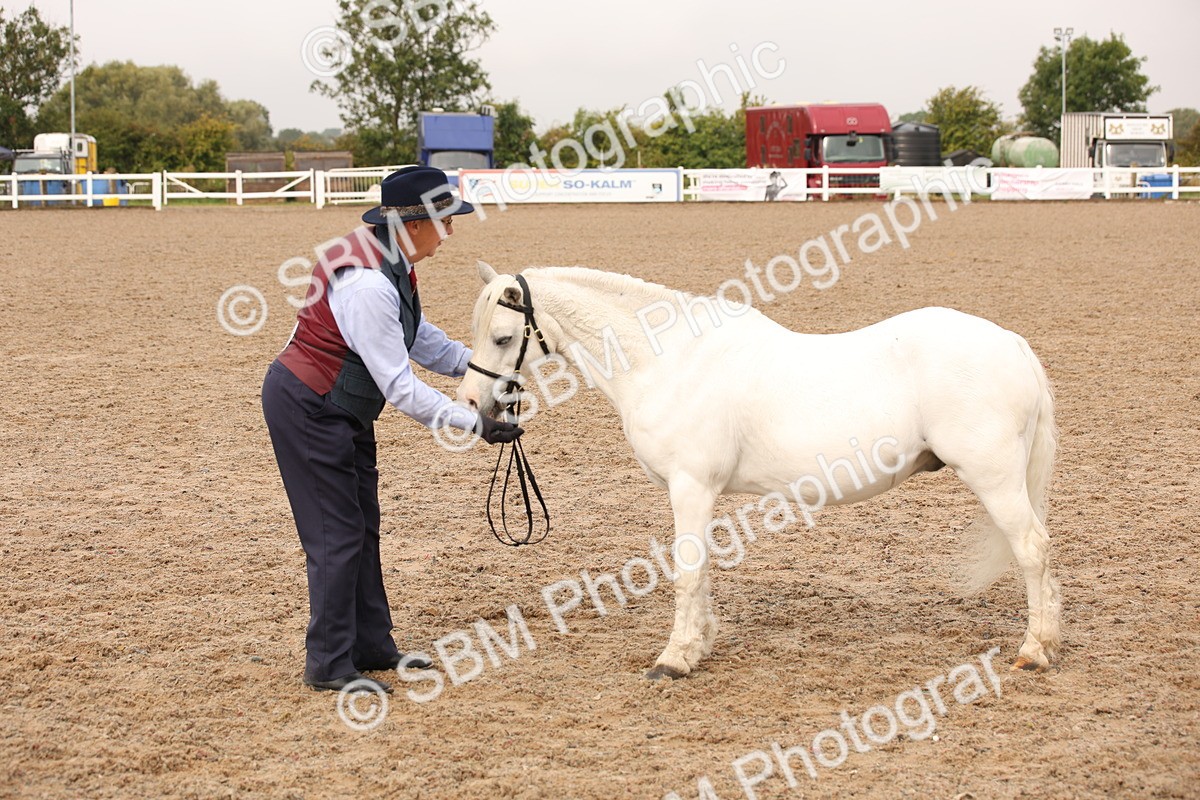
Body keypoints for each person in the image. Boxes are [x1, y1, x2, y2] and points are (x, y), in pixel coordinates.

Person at [261, 165, 522, 694]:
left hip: (340, 406)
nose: (450, 230)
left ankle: (371, 643)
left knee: (363, 526)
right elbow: (401, 389)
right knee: (337, 535)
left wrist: (482, 370)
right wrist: (475, 422)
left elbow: (416, 335)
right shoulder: (367, 284)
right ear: (417, 222)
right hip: (312, 407)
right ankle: (329, 663)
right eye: (445, 220)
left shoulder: (390, 262)